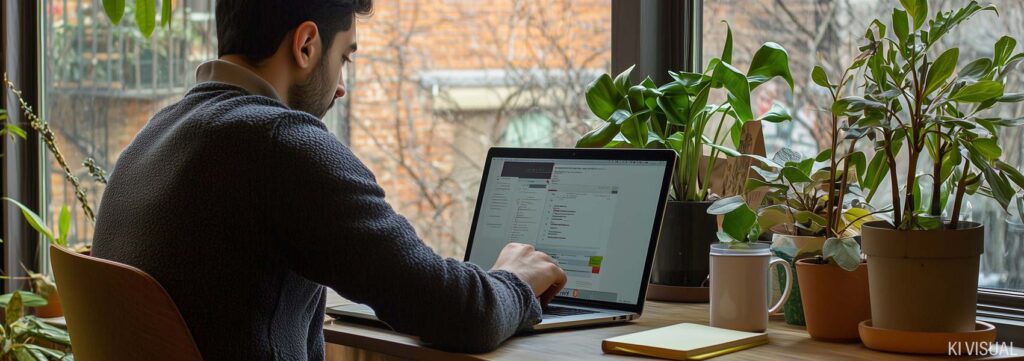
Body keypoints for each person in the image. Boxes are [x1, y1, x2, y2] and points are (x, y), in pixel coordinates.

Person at [90, 1, 567, 359]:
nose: (340, 86)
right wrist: (515, 280)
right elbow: (460, 314)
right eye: (345, 57)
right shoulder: (282, 143)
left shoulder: (151, 136)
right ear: (305, 45)